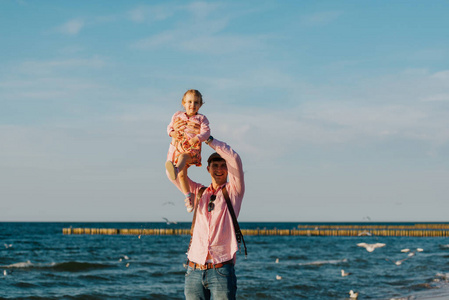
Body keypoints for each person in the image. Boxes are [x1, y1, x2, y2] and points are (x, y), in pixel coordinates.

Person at [166, 131, 245, 300]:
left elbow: (235, 159)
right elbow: (172, 174)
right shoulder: (198, 192)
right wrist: (174, 142)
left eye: (223, 165)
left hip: (222, 270)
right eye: (215, 166)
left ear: (228, 170)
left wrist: (208, 139)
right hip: (193, 270)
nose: (219, 169)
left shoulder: (233, 192)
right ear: (208, 169)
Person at [165, 89, 211, 212]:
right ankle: (188, 198)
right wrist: (173, 133)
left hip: (191, 150)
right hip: (179, 148)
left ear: (200, 105)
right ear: (183, 103)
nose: (192, 105)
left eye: (196, 102)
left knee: (183, 158)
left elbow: (206, 133)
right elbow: (169, 128)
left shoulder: (201, 119)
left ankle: (175, 168)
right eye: (189, 102)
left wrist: (197, 138)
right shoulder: (177, 115)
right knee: (181, 175)